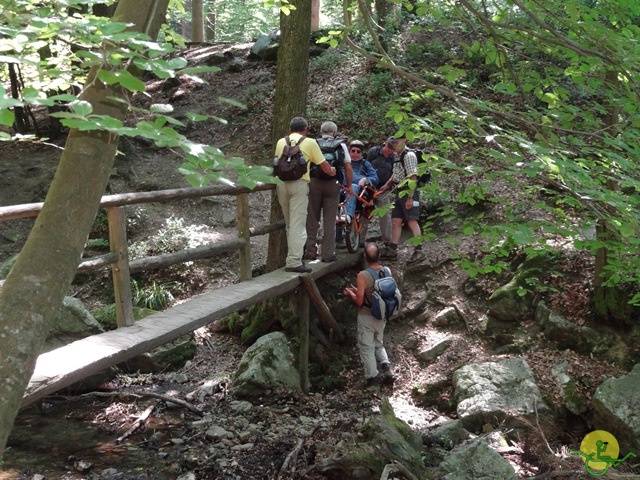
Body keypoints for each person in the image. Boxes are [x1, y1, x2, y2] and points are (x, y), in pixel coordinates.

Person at [275, 117, 335, 273]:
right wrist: (333, 171)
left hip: (281, 184)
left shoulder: (281, 142)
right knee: (298, 224)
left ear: (290, 129)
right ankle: (294, 261)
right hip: (299, 184)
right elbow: (324, 165)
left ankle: (293, 256)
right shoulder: (309, 142)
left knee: (289, 224)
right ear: (305, 130)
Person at [343, 242, 395, 388]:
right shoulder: (387, 271)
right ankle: (387, 368)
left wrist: (350, 293)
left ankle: (372, 378)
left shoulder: (363, 275)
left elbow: (359, 301)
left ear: (365, 257)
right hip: (383, 315)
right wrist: (358, 290)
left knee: (366, 347)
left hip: (366, 316)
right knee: (378, 343)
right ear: (379, 255)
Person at [303, 121, 353, 263]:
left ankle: (310, 252)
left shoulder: (313, 143)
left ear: (321, 131)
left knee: (312, 218)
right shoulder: (341, 145)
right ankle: (327, 254)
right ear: (335, 133)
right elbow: (348, 167)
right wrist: (349, 185)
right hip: (333, 184)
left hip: (314, 183)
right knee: (330, 219)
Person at [381, 137, 425, 264]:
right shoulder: (396, 155)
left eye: (397, 142)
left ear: (404, 140)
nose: (395, 145)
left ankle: (419, 251)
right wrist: (386, 186)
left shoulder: (409, 155)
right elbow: (396, 173)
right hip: (399, 191)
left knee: (411, 220)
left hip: (409, 191)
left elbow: (413, 176)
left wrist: (410, 197)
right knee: (396, 220)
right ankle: (393, 249)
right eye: (393, 143)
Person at [361, 139, 396, 248]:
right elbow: (364, 166)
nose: (389, 151)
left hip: (383, 189)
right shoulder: (374, 152)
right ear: (385, 144)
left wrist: (387, 187)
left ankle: (387, 241)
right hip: (369, 188)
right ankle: (360, 240)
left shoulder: (394, 157)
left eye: (392, 149)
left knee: (385, 215)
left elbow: (394, 173)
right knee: (364, 214)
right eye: (388, 148)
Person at [342, 140, 378, 247]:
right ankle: (338, 237)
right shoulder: (343, 163)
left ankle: (347, 216)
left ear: (362, 153)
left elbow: (375, 178)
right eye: (353, 151)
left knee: (353, 187)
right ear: (349, 152)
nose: (355, 154)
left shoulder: (365, 164)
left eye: (358, 151)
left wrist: (366, 179)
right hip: (343, 189)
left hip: (359, 192)